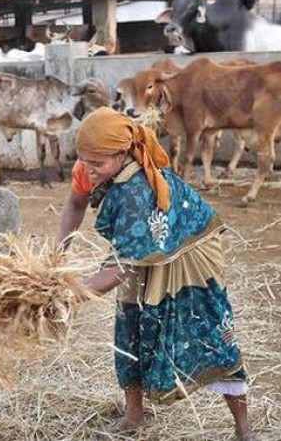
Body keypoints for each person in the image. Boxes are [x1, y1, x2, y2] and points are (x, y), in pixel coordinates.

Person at [57, 107, 254, 440]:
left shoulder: (136, 191)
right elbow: (76, 204)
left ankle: (243, 425)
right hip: (141, 249)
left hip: (189, 253)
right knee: (131, 327)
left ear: (122, 155)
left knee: (209, 331)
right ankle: (134, 416)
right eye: (83, 161)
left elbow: (122, 268)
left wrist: (67, 295)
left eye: (97, 164)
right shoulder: (90, 164)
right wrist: (57, 255)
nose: (88, 171)